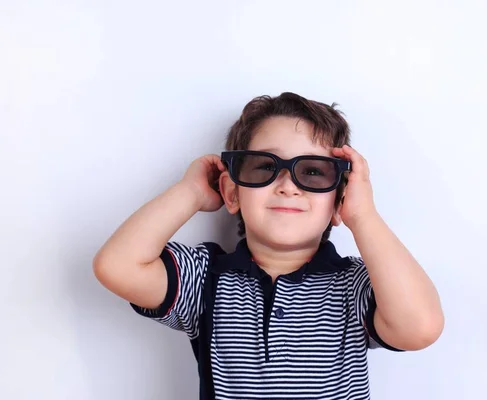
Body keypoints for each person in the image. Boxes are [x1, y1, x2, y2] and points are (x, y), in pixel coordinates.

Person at [93, 92, 444, 399]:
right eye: (265, 167)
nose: (288, 185)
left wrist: (364, 217)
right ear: (232, 192)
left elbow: (420, 327)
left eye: (313, 171)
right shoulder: (205, 280)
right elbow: (117, 266)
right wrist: (191, 192)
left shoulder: (354, 286)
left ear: (340, 200)